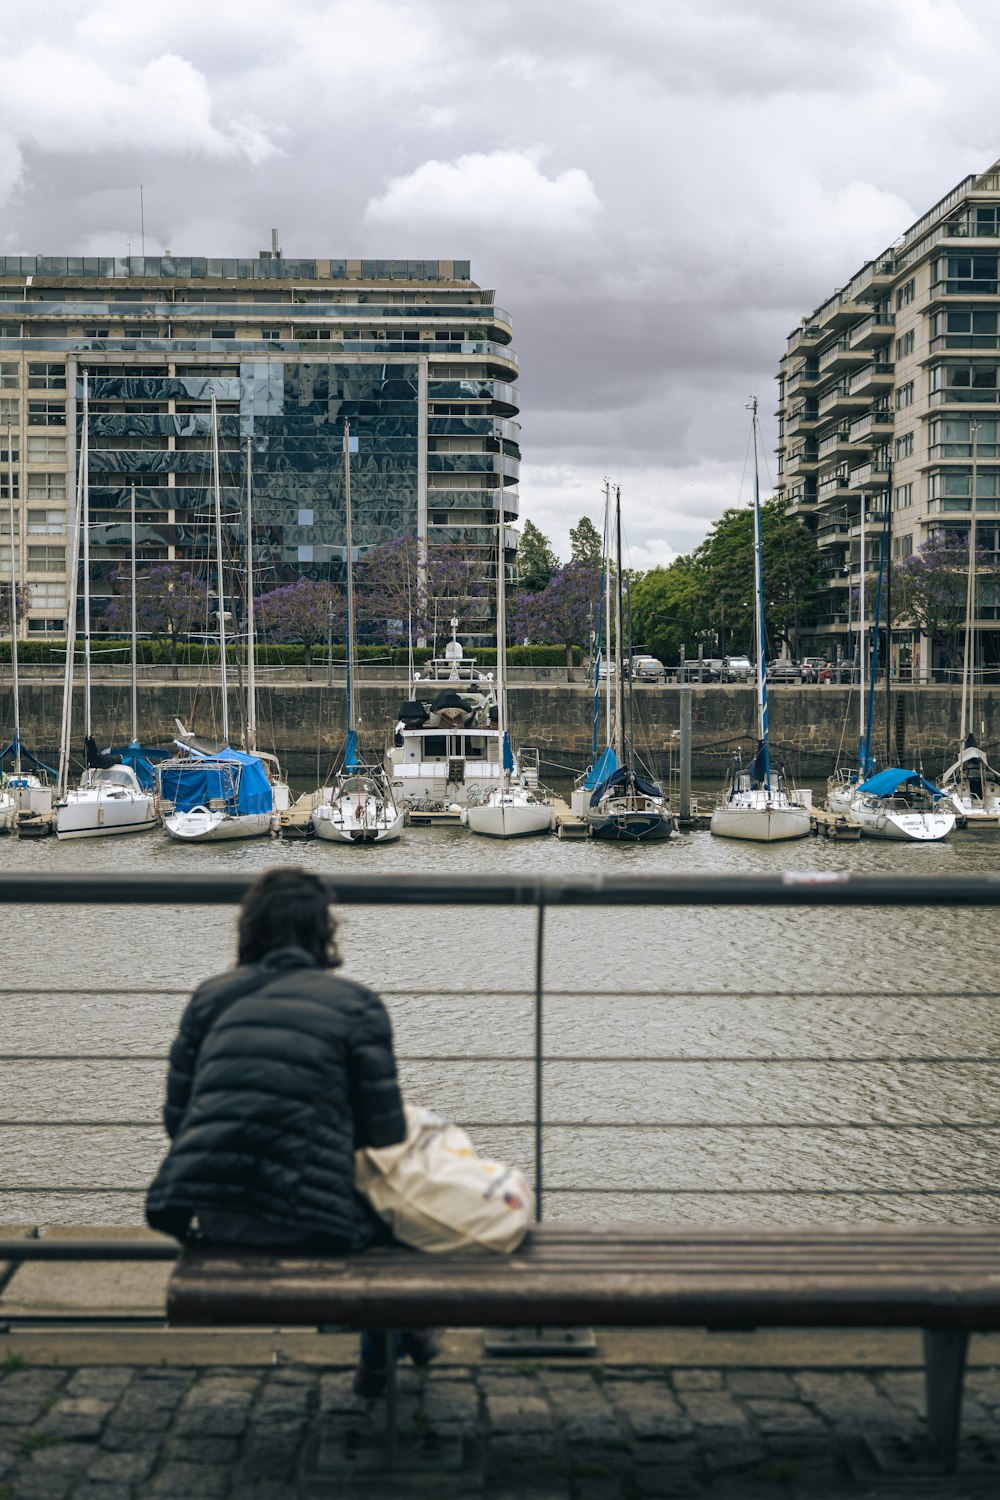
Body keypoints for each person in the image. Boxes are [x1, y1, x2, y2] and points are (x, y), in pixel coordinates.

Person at [146, 866, 436, 1395]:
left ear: (249, 928)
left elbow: (177, 1121)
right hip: (315, 1226)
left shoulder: (209, 999)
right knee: (406, 1212)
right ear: (324, 931)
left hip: (218, 1220)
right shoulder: (356, 1005)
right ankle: (387, 1347)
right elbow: (386, 1134)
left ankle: (401, 1337)